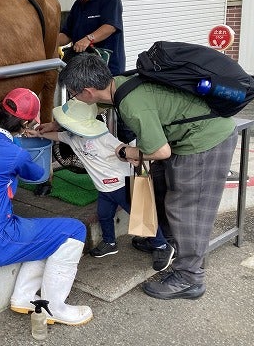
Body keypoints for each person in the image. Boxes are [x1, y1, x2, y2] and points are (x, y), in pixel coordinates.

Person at [58, 52, 238, 300]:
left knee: (186, 208)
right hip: (182, 138)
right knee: (160, 189)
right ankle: (167, 241)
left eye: (74, 94)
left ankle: (189, 278)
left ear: (87, 92)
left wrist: (125, 150)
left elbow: (160, 151)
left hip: (205, 140)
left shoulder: (131, 103)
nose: (74, 98)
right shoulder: (118, 86)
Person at [0, 88, 92, 325]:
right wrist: (23, 146)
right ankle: (55, 308)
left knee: (44, 234)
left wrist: (16, 139)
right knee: (74, 230)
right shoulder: (14, 153)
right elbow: (38, 174)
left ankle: (23, 297)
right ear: (26, 122)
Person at [39, 98, 175, 271]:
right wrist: (38, 134)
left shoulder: (104, 137)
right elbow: (57, 135)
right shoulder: (72, 136)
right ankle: (110, 242)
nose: (62, 125)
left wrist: (132, 155)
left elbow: (123, 148)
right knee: (104, 215)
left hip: (121, 184)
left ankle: (162, 246)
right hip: (103, 189)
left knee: (141, 216)